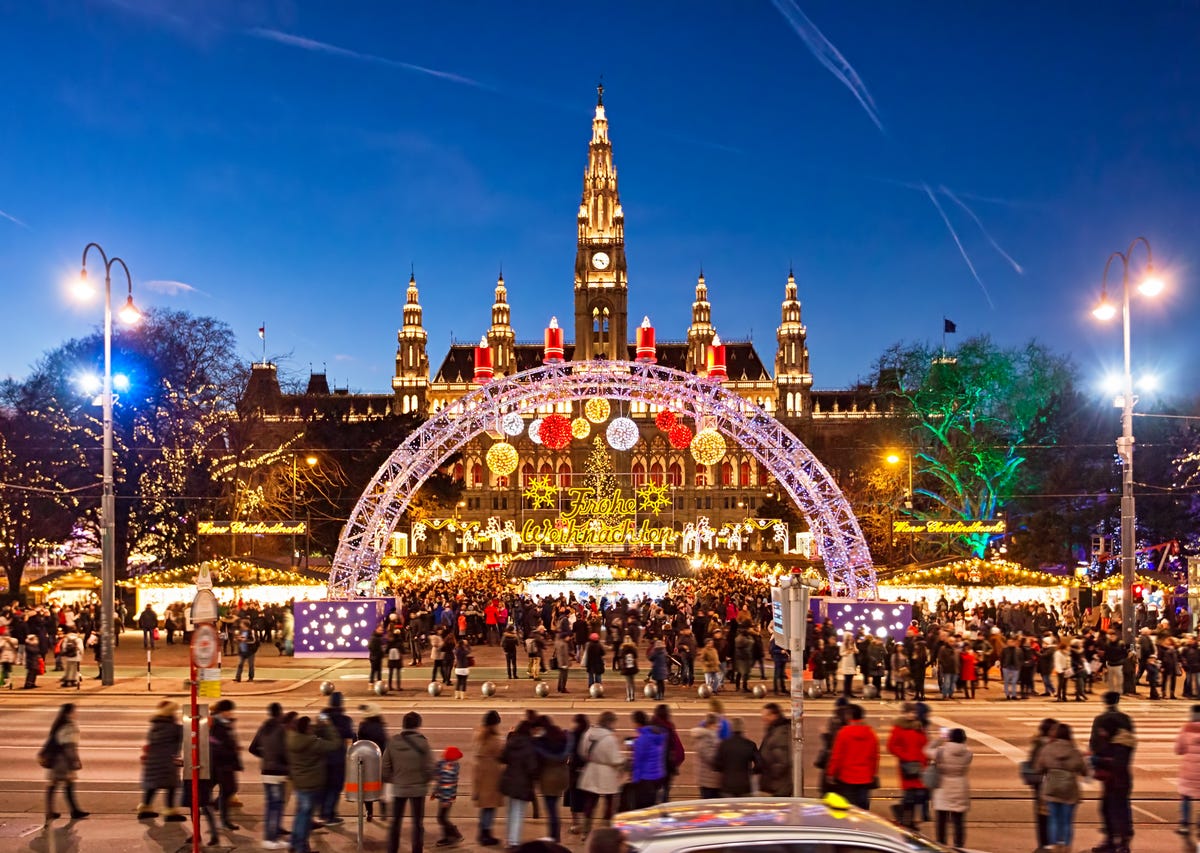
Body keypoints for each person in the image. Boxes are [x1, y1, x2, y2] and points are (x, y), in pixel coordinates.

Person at [383, 710, 437, 853]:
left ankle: (392, 849)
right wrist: (424, 780)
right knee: (417, 824)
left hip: (399, 787)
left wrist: (394, 780)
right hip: (418, 789)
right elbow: (430, 768)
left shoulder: (393, 742)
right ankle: (417, 850)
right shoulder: (423, 743)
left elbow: (385, 768)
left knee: (395, 822)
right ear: (418, 725)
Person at [286, 714, 341, 853]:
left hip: (299, 783)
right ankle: (301, 848)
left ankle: (294, 843)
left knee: (300, 815)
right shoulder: (313, 743)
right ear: (307, 729)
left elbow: (307, 733)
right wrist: (328, 725)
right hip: (311, 784)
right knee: (305, 818)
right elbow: (335, 744)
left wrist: (315, 728)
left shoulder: (292, 738)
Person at [1033, 723, 1087, 853]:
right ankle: (1066, 847)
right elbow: (1084, 770)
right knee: (1067, 820)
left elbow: (1038, 768)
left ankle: (1054, 846)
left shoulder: (1048, 749)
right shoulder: (1073, 750)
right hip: (1069, 789)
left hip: (1052, 787)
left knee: (1053, 819)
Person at [248, 701, 289, 846]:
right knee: (276, 806)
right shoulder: (281, 729)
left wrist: (265, 757)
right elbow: (284, 751)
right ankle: (270, 838)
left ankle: (273, 836)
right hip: (278, 772)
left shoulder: (264, 727)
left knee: (272, 805)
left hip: (266, 771)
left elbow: (252, 748)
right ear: (280, 713)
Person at [577, 710, 624, 838]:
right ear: (609, 722)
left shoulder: (589, 734)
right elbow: (614, 759)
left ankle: (585, 831)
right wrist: (623, 763)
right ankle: (606, 830)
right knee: (609, 802)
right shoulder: (609, 738)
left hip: (591, 770)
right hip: (607, 773)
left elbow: (582, 752)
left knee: (590, 803)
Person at [40, 702, 88, 824]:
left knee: (60, 784)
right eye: (74, 711)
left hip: (57, 758)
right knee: (60, 784)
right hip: (63, 761)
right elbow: (69, 746)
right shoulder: (68, 726)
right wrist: (74, 761)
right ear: (69, 713)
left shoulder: (59, 724)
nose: (76, 713)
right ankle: (65, 811)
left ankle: (60, 811)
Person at [138, 699, 185, 822]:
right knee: (171, 785)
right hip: (167, 761)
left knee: (152, 785)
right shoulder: (173, 727)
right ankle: (170, 811)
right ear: (170, 713)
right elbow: (188, 733)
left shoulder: (155, 725)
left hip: (153, 760)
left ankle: (145, 809)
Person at [825, 704, 879, 809]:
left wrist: (831, 773)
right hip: (865, 777)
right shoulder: (870, 734)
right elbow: (874, 757)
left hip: (847, 777)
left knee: (849, 809)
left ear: (849, 717)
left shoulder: (843, 733)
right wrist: (872, 774)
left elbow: (837, 756)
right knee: (862, 810)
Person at [925, 727, 972, 848]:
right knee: (958, 822)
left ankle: (941, 845)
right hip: (960, 788)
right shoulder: (968, 754)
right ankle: (959, 846)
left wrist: (941, 739)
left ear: (950, 738)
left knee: (941, 822)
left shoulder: (941, 752)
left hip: (943, 788)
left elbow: (926, 750)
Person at [886, 703, 927, 829]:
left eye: (914, 713)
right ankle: (907, 821)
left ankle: (908, 818)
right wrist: (905, 756)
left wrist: (926, 760)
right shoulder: (899, 728)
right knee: (910, 795)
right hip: (907, 766)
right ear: (904, 713)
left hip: (919, 765)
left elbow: (924, 744)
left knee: (919, 794)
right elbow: (891, 746)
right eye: (910, 712)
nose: (912, 715)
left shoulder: (918, 727)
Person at [500, 719, 539, 848]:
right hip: (522, 784)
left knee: (510, 812)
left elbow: (503, 758)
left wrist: (509, 737)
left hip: (509, 781)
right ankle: (514, 842)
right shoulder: (530, 745)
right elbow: (532, 767)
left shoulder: (512, 741)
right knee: (518, 813)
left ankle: (509, 840)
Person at [533, 716, 570, 842]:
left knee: (551, 809)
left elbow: (538, 760)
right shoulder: (561, 735)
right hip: (562, 776)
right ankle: (554, 835)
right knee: (554, 807)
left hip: (549, 777)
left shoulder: (542, 741)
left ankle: (554, 836)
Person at [208, 698, 242, 834]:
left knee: (228, 790)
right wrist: (228, 750)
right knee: (228, 790)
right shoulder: (214, 723)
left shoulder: (225, 723)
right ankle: (222, 819)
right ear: (223, 711)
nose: (230, 713)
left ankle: (223, 819)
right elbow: (214, 743)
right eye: (228, 711)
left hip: (226, 764)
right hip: (219, 764)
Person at [1026, 717, 1058, 852]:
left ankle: (1043, 844)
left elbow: (1032, 764)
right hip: (1053, 783)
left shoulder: (1037, 743)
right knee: (1053, 815)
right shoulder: (1054, 744)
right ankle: (1051, 843)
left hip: (1040, 784)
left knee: (1041, 816)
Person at [473, 710, 504, 847]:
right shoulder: (493, 740)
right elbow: (502, 754)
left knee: (485, 808)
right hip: (491, 778)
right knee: (490, 808)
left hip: (481, 777)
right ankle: (486, 834)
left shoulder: (480, 737)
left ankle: (483, 833)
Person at [357, 703, 389, 823]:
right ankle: (383, 811)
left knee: (367, 788)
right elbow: (385, 743)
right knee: (381, 787)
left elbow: (359, 743)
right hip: (379, 759)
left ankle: (369, 812)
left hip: (367, 760)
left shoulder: (363, 726)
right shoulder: (380, 725)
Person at [629, 710, 668, 809]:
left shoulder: (642, 739)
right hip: (657, 775)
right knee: (652, 807)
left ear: (637, 723)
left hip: (645, 778)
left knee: (642, 809)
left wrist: (635, 780)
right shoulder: (656, 735)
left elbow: (638, 762)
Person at [713, 717, 761, 797]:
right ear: (743, 729)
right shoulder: (750, 744)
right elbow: (760, 765)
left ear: (731, 729)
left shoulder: (724, 745)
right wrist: (751, 772)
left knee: (728, 809)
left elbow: (716, 765)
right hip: (745, 786)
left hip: (727, 785)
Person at [1175, 704, 1200, 836]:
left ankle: (1184, 824)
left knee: (1186, 796)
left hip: (1189, 770)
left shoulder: (1187, 728)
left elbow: (1178, 749)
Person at [758, 702, 792, 796]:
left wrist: (768, 773)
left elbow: (783, 761)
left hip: (778, 785)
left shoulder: (780, 733)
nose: (763, 718)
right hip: (775, 784)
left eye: (766, 715)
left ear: (774, 715)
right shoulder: (774, 730)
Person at [433, 746, 464, 846]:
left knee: (441, 818)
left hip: (446, 798)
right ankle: (449, 836)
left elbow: (446, 785)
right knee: (442, 817)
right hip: (446, 797)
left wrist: (445, 800)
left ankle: (454, 835)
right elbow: (439, 775)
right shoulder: (447, 765)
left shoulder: (448, 769)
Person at [690, 712, 722, 799]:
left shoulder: (710, 737)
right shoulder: (706, 739)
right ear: (711, 725)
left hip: (710, 779)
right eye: (717, 725)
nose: (719, 727)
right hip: (709, 781)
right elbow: (711, 758)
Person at [235, 618, 257, 682]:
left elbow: (253, 640)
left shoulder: (250, 632)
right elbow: (238, 639)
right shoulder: (241, 631)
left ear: (245, 625)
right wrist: (237, 639)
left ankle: (251, 678)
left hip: (250, 651)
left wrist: (245, 640)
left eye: (241, 624)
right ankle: (238, 677)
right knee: (240, 664)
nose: (240, 625)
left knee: (251, 665)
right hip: (242, 651)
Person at [618, 636, 639, 702]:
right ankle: (632, 696)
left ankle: (628, 696)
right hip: (632, 666)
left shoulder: (622, 648)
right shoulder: (633, 648)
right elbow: (636, 656)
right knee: (632, 682)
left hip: (626, 667)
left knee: (627, 683)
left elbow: (620, 657)